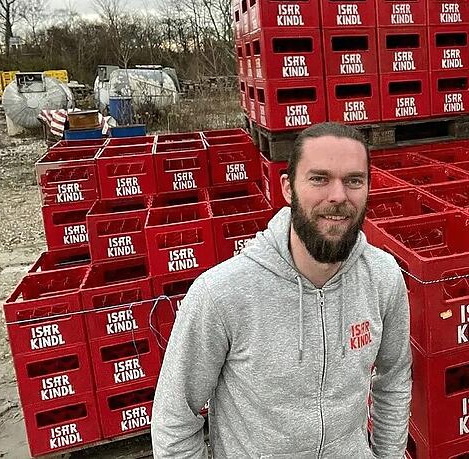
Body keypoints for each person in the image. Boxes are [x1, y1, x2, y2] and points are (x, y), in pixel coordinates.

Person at [151, 122, 412, 458]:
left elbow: (394, 378)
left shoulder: (383, 277)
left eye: (353, 181)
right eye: (319, 179)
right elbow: (174, 420)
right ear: (288, 189)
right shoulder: (221, 294)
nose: (338, 195)